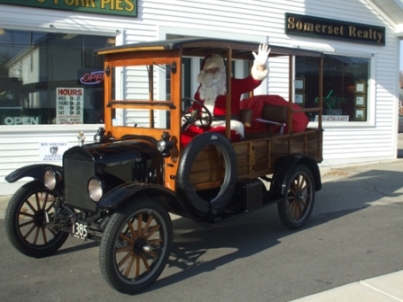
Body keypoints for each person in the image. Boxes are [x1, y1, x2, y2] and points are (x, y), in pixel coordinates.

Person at [193, 44, 271, 139]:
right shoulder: (202, 88)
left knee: (210, 136)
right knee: (184, 134)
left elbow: (252, 82)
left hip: (228, 125)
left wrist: (261, 66)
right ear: (204, 72)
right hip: (204, 124)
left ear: (222, 70)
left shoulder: (232, 84)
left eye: (216, 69)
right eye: (210, 70)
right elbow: (195, 108)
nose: (213, 72)